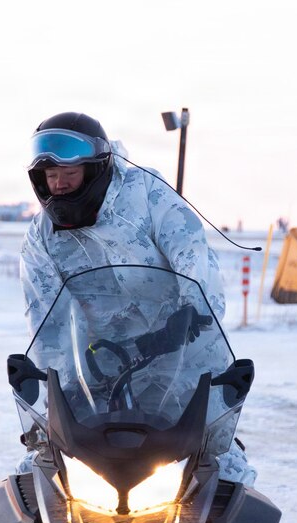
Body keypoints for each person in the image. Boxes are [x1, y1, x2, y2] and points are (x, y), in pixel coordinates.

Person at [19, 111, 256, 486]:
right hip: (100, 370)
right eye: (52, 176)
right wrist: (60, 385)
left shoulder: (145, 193)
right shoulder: (42, 238)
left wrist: (193, 312)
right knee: (44, 474)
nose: (60, 185)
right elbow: (45, 317)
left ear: (95, 168)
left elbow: (191, 251)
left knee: (219, 469)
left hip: (180, 354)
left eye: (69, 174)